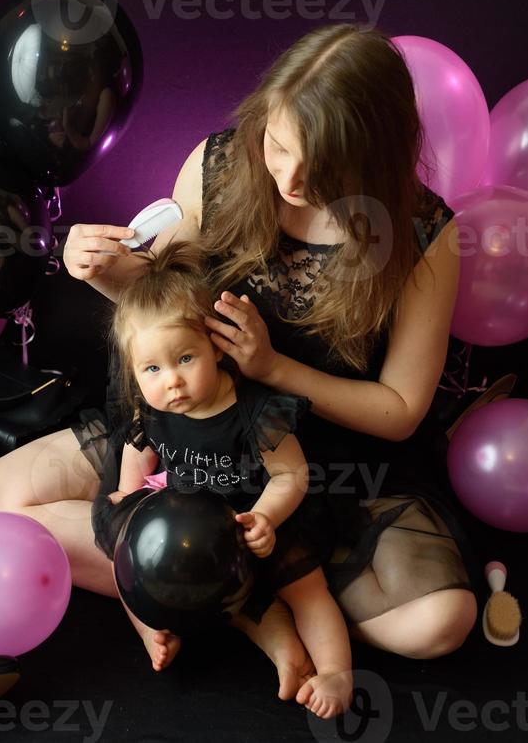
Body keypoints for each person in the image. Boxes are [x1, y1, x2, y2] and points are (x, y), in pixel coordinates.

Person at [0, 23, 482, 704]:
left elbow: (400, 412)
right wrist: (100, 273)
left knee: (440, 622)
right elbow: (165, 315)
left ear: (372, 156)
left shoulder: (423, 234)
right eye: (277, 144)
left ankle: (190, 584)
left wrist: (273, 369)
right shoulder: (219, 166)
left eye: (318, 166)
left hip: (308, 463)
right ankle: (245, 609)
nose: (288, 178)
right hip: (192, 420)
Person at [96, 238, 352, 717]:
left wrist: (266, 518)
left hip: (253, 524)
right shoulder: (148, 412)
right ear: (134, 372)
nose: (170, 381)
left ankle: (337, 673)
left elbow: (292, 475)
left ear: (215, 349)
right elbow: (136, 468)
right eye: (152, 368)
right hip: (189, 533)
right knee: (122, 553)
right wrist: (129, 507)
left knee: (307, 589)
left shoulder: (255, 411)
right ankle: (153, 627)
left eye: (184, 359)